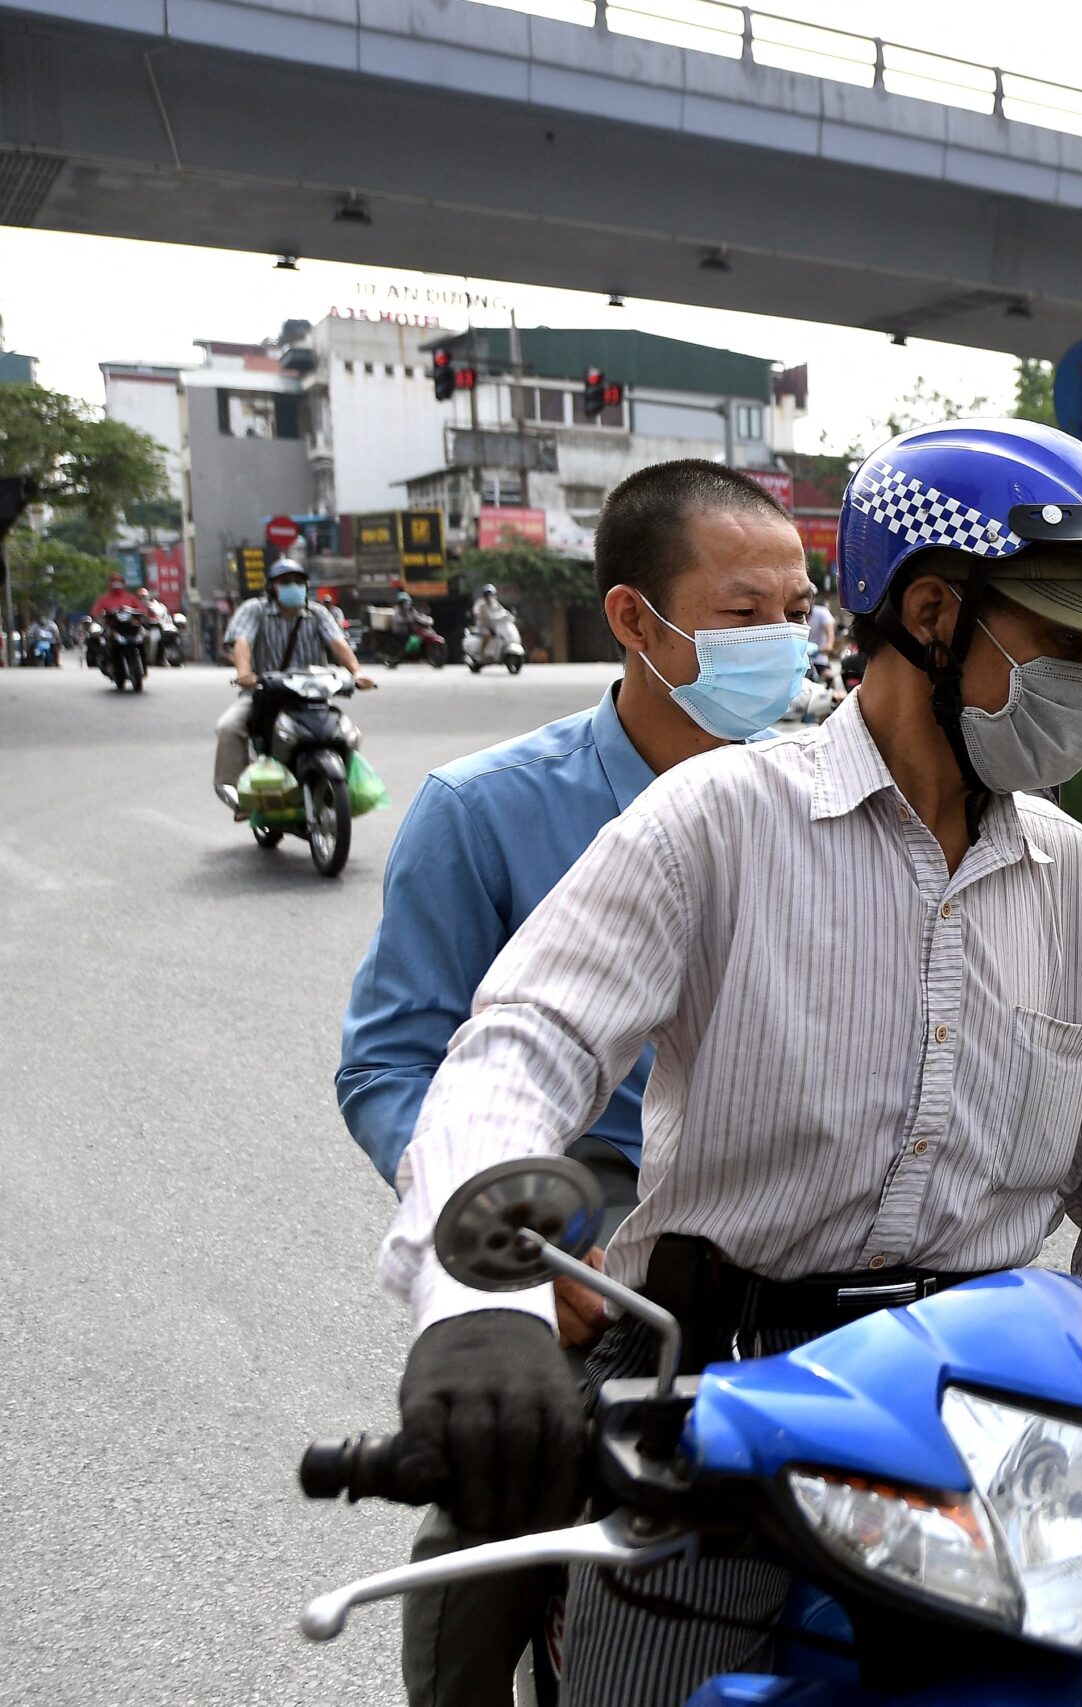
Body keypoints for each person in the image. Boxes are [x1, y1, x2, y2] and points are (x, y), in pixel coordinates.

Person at [374, 418, 1082, 1705]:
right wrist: (480, 1310)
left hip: (997, 1417)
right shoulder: (716, 820)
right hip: (723, 1396)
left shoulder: (1074, 873)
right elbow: (516, 1054)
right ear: (932, 613)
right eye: (1072, 643)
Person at [339, 462, 802, 1706]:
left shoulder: (830, 802)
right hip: (588, 1229)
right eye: (745, 612)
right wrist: (505, 1239)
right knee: (502, 1494)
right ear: (637, 623)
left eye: (800, 610)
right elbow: (392, 1061)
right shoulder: (482, 812)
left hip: (785, 1232)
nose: (788, 645)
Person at [217, 560, 373, 815]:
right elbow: (242, 641)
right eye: (286, 582)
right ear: (272, 587)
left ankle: (341, 788)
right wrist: (244, 672)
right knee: (229, 727)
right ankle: (240, 796)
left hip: (312, 697)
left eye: (299, 582)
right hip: (265, 694)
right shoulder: (254, 610)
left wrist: (357, 673)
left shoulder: (318, 614)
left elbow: (337, 644)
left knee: (350, 734)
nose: (294, 587)